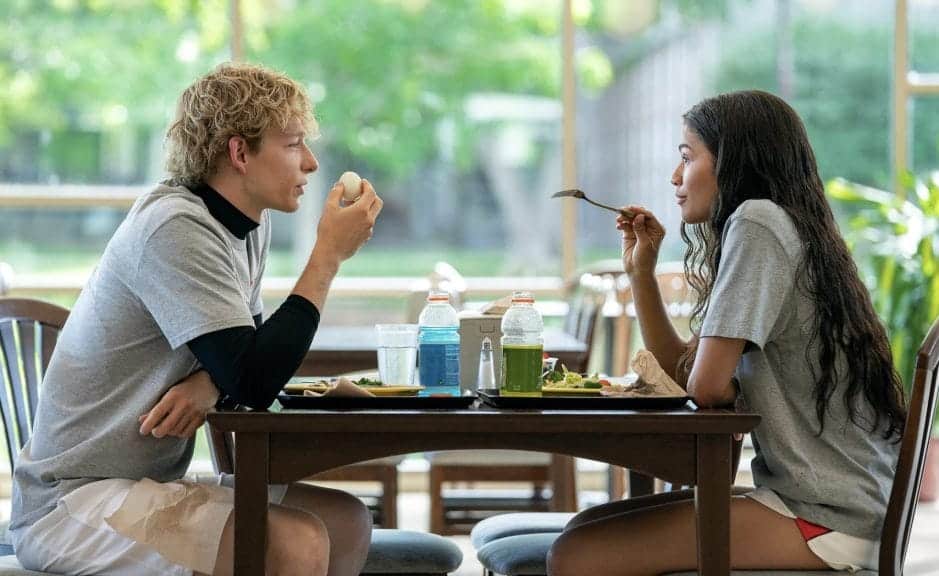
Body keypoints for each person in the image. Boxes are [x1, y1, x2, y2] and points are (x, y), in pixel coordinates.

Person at [10, 62, 383, 576]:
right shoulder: (175, 227)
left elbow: (242, 358)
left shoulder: (248, 225)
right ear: (238, 153)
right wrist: (327, 258)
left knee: (346, 520)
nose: (313, 163)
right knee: (293, 543)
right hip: (73, 504)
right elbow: (253, 379)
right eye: (294, 144)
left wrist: (209, 383)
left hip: (143, 487)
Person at [547, 90, 906, 575]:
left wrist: (705, 376)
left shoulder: (757, 223)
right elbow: (685, 376)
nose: (675, 177)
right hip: (836, 502)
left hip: (829, 516)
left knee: (576, 555)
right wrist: (641, 275)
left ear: (733, 161)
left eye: (687, 157)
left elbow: (707, 387)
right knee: (582, 529)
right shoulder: (779, 225)